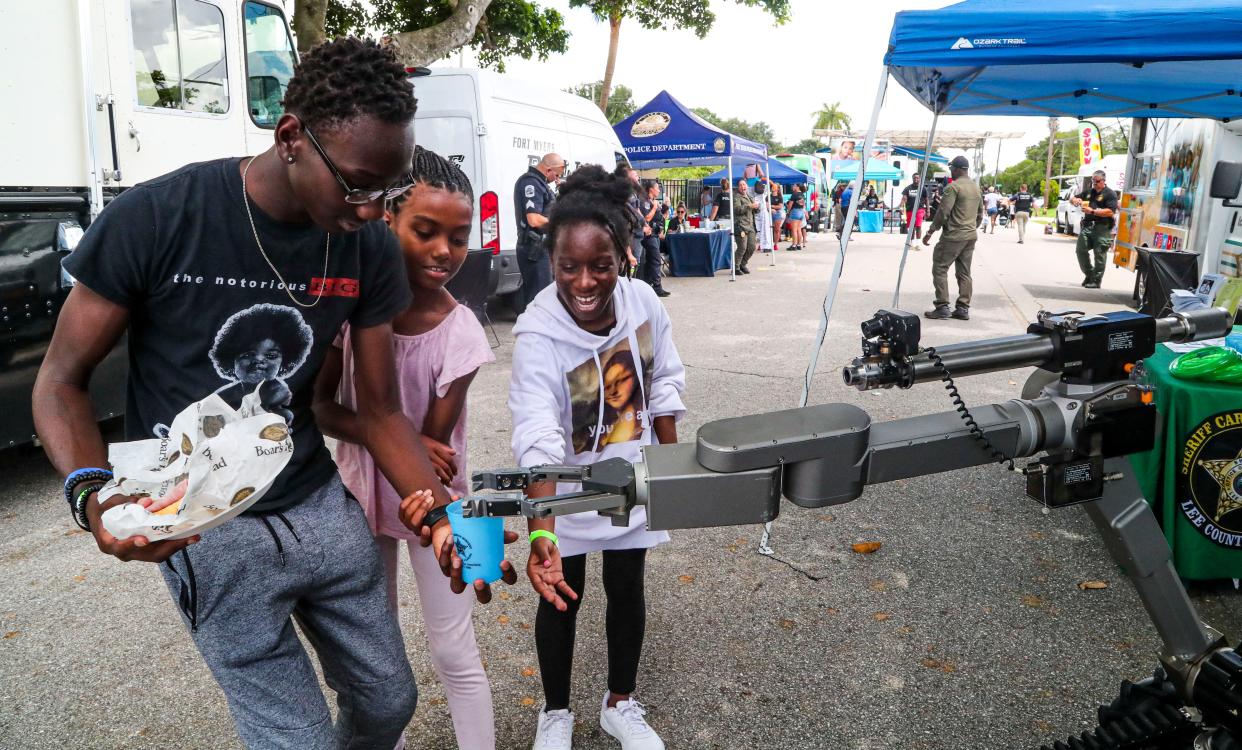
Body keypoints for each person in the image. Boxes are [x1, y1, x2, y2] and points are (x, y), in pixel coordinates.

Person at [31, 38, 514, 749]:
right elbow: (59, 382)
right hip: (201, 519)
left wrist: (442, 517)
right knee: (297, 739)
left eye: (385, 191)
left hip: (316, 501)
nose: (369, 210)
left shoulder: (367, 243)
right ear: (290, 136)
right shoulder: (160, 216)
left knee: (389, 701)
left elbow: (379, 410)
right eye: (356, 185)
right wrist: (92, 496)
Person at [313, 147, 498, 750]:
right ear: (387, 221)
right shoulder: (346, 314)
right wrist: (390, 432)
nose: (445, 250)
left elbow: (435, 455)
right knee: (376, 654)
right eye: (426, 231)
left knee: (454, 648)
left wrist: (407, 436)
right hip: (359, 496)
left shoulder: (463, 333)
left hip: (443, 502)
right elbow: (320, 407)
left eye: (458, 236)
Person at [509, 164, 686, 750]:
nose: (584, 282)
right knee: (561, 597)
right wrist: (542, 535)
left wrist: (671, 467)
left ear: (625, 253)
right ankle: (555, 712)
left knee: (628, 588)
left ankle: (620, 703)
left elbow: (663, 381)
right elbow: (537, 436)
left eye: (600, 265)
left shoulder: (642, 305)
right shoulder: (539, 334)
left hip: (629, 480)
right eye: (569, 267)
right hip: (562, 493)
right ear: (551, 261)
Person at [921, 155, 982, 321]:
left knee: (940, 268)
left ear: (957, 169)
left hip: (954, 236)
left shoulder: (953, 187)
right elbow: (980, 215)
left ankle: (942, 306)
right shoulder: (976, 188)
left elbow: (943, 212)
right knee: (964, 272)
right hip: (970, 236)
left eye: (951, 169)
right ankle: (963, 308)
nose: (951, 172)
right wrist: (970, 228)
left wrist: (930, 231)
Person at [515, 153, 566, 312]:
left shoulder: (541, 184)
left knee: (543, 296)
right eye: (556, 175)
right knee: (539, 299)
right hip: (533, 248)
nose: (556, 178)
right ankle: (534, 333)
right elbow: (534, 219)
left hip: (541, 247)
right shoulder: (531, 183)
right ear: (548, 169)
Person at [1071, 170, 1118, 288]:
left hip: (1102, 227)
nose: (1094, 183)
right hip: (1087, 226)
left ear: (1103, 181)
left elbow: (1110, 211)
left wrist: (1092, 211)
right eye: (1093, 181)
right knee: (1080, 250)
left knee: (1099, 254)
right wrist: (1075, 200)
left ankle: (1096, 280)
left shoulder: (1110, 194)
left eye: (1097, 181)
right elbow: (1073, 198)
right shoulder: (1089, 192)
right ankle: (1090, 274)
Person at [639, 179, 670, 297]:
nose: (658, 190)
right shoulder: (645, 201)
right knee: (656, 260)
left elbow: (660, 217)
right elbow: (646, 218)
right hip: (649, 235)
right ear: (651, 189)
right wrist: (654, 207)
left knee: (651, 261)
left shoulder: (653, 201)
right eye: (657, 188)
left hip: (655, 234)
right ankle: (657, 287)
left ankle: (647, 285)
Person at [732, 178, 758, 274]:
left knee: (752, 247)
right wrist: (749, 206)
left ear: (747, 186)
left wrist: (756, 207)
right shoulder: (736, 197)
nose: (743, 187)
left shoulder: (749, 196)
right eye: (740, 185)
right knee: (742, 247)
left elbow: (755, 211)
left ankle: (743, 264)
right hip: (741, 226)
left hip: (750, 225)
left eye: (744, 185)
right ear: (738, 187)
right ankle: (735, 267)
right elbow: (737, 210)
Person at [901, 173, 928, 240]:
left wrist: (928, 210)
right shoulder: (907, 188)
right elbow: (904, 198)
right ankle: (912, 243)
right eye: (914, 178)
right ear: (912, 178)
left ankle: (917, 244)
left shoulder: (923, 188)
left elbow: (926, 200)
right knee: (911, 227)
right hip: (910, 210)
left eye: (917, 178)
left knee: (918, 226)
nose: (916, 179)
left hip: (920, 209)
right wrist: (901, 207)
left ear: (920, 179)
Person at [754, 178, 774, 255]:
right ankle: (765, 246)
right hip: (760, 214)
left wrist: (764, 179)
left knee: (764, 230)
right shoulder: (758, 194)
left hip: (762, 213)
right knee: (763, 231)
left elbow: (771, 185)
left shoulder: (762, 193)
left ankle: (766, 246)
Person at [787, 184, 807, 250]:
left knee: (794, 230)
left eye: (794, 186)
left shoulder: (794, 194)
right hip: (801, 212)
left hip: (795, 211)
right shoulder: (802, 194)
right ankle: (799, 245)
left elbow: (790, 205)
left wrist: (788, 211)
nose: (793, 187)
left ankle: (794, 245)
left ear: (798, 187)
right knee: (799, 229)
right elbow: (803, 205)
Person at [771, 182, 786, 250]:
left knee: (776, 229)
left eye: (774, 186)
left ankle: (775, 244)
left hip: (777, 214)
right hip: (769, 213)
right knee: (768, 229)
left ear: (777, 188)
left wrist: (771, 206)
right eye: (772, 186)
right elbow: (766, 205)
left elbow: (780, 206)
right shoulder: (768, 196)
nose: (772, 187)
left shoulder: (780, 197)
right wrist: (771, 208)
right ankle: (765, 244)